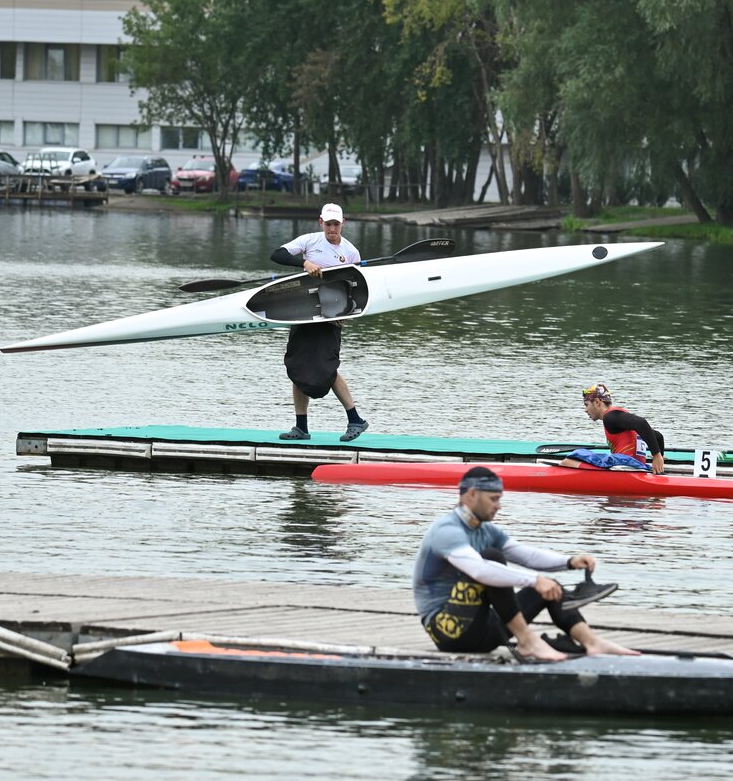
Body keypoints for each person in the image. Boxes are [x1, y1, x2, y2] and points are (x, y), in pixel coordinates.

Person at [412, 466, 640, 662]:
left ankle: (592, 642)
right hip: (448, 632)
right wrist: (533, 580)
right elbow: (480, 570)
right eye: (494, 499)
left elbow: (527, 556)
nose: (499, 505)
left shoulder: (486, 530)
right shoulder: (446, 530)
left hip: (483, 630)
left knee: (548, 587)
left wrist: (569, 562)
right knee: (492, 559)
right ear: (471, 495)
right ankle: (527, 640)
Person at [270, 202, 369, 442]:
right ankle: (301, 427)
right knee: (296, 367)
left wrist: (346, 316)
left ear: (343, 223)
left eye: (336, 224)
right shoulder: (309, 241)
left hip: (331, 318)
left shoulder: (351, 252)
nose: (332, 228)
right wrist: (304, 263)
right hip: (303, 314)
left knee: (327, 369)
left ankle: (355, 420)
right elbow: (277, 255)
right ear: (320, 222)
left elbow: (356, 289)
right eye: (328, 223)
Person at [560, 384, 666, 474]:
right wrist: (659, 464)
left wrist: (656, 456)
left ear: (597, 402)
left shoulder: (610, 417)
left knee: (569, 460)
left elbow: (641, 422)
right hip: (636, 467)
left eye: (586, 405)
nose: (585, 410)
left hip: (625, 465)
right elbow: (658, 436)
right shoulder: (621, 418)